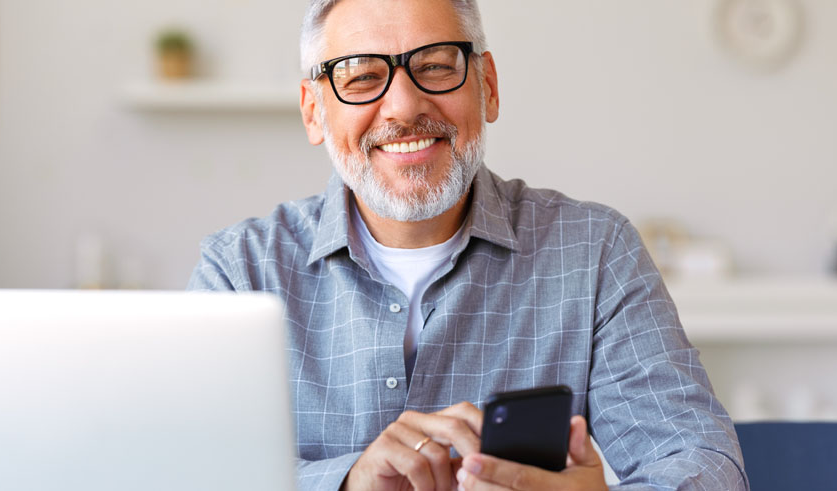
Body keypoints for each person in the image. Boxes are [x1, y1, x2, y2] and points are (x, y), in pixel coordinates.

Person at [188, 0, 748, 489]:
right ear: (314, 111)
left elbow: (705, 467)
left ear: (488, 88)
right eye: (360, 77)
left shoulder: (596, 252)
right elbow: (185, 472)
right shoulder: (239, 272)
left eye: (434, 66)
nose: (404, 107)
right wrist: (346, 483)